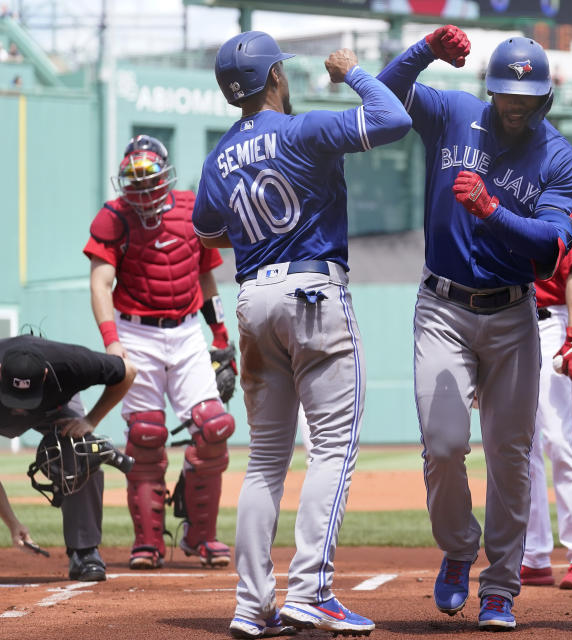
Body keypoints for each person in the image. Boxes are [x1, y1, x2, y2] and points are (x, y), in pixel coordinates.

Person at [192, 31, 411, 639]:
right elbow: (392, 118)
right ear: (274, 80)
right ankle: (311, 590)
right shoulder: (300, 130)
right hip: (314, 292)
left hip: (253, 297)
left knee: (263, 462)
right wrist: (355, 73)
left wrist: (262, 239)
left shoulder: (217, 158)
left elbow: (208, 232)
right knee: (333, 447)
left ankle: (250, 604)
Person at [377, 26, 572, 630]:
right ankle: (459, 546)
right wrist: (424, 53)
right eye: (505, 94)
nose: (514, 105)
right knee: (443, 446)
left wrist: (493, 211)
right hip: (442, 306)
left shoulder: (559, 156)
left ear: (545, 97)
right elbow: (386, 96)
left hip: (514, 313)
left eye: (527, 97)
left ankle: (500, 586)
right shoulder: (453, 113)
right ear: (489, 91)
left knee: (511, 455)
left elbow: (551, 245)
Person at [84, 134, 237, 572]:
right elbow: (100, 283)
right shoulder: (114, 217)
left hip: (188, 330)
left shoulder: (192, 209)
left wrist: (221, 335)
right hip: (136, 334)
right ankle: (148, 543)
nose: (143, 186)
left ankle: (199, 534)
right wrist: (112, 343)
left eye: (149, 176)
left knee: (215, 427)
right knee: (146, 436)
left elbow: (208, 278)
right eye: (133, 178)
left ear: (165, 174)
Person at [0, 335, 137, 581]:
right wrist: (12, 523)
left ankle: (84, 552)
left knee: (80, 450)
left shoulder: (70, 363)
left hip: (54, 406)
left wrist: (90, 420)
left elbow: (128, 371)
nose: (20, 410)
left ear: (44, 374)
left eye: (25, 399)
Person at [521, 212, 572, 590]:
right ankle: (534, 556)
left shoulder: (562, 205)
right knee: (525, 446)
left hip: (552, 322)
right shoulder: (505, 196)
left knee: (558, 440)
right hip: (510, 318)